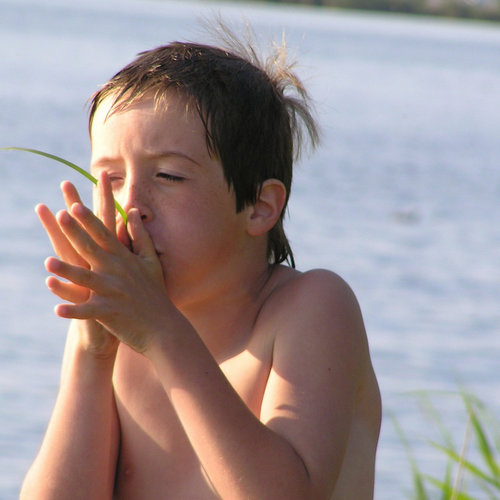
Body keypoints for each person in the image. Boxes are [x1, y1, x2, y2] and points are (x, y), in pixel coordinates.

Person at [20, 25, 381, 500]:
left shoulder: (310, 309)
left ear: (259, 206)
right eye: (107, 177)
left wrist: (162, 331)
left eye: (168, 176)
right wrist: (91, 354)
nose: (132, 204)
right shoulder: (116, 331)